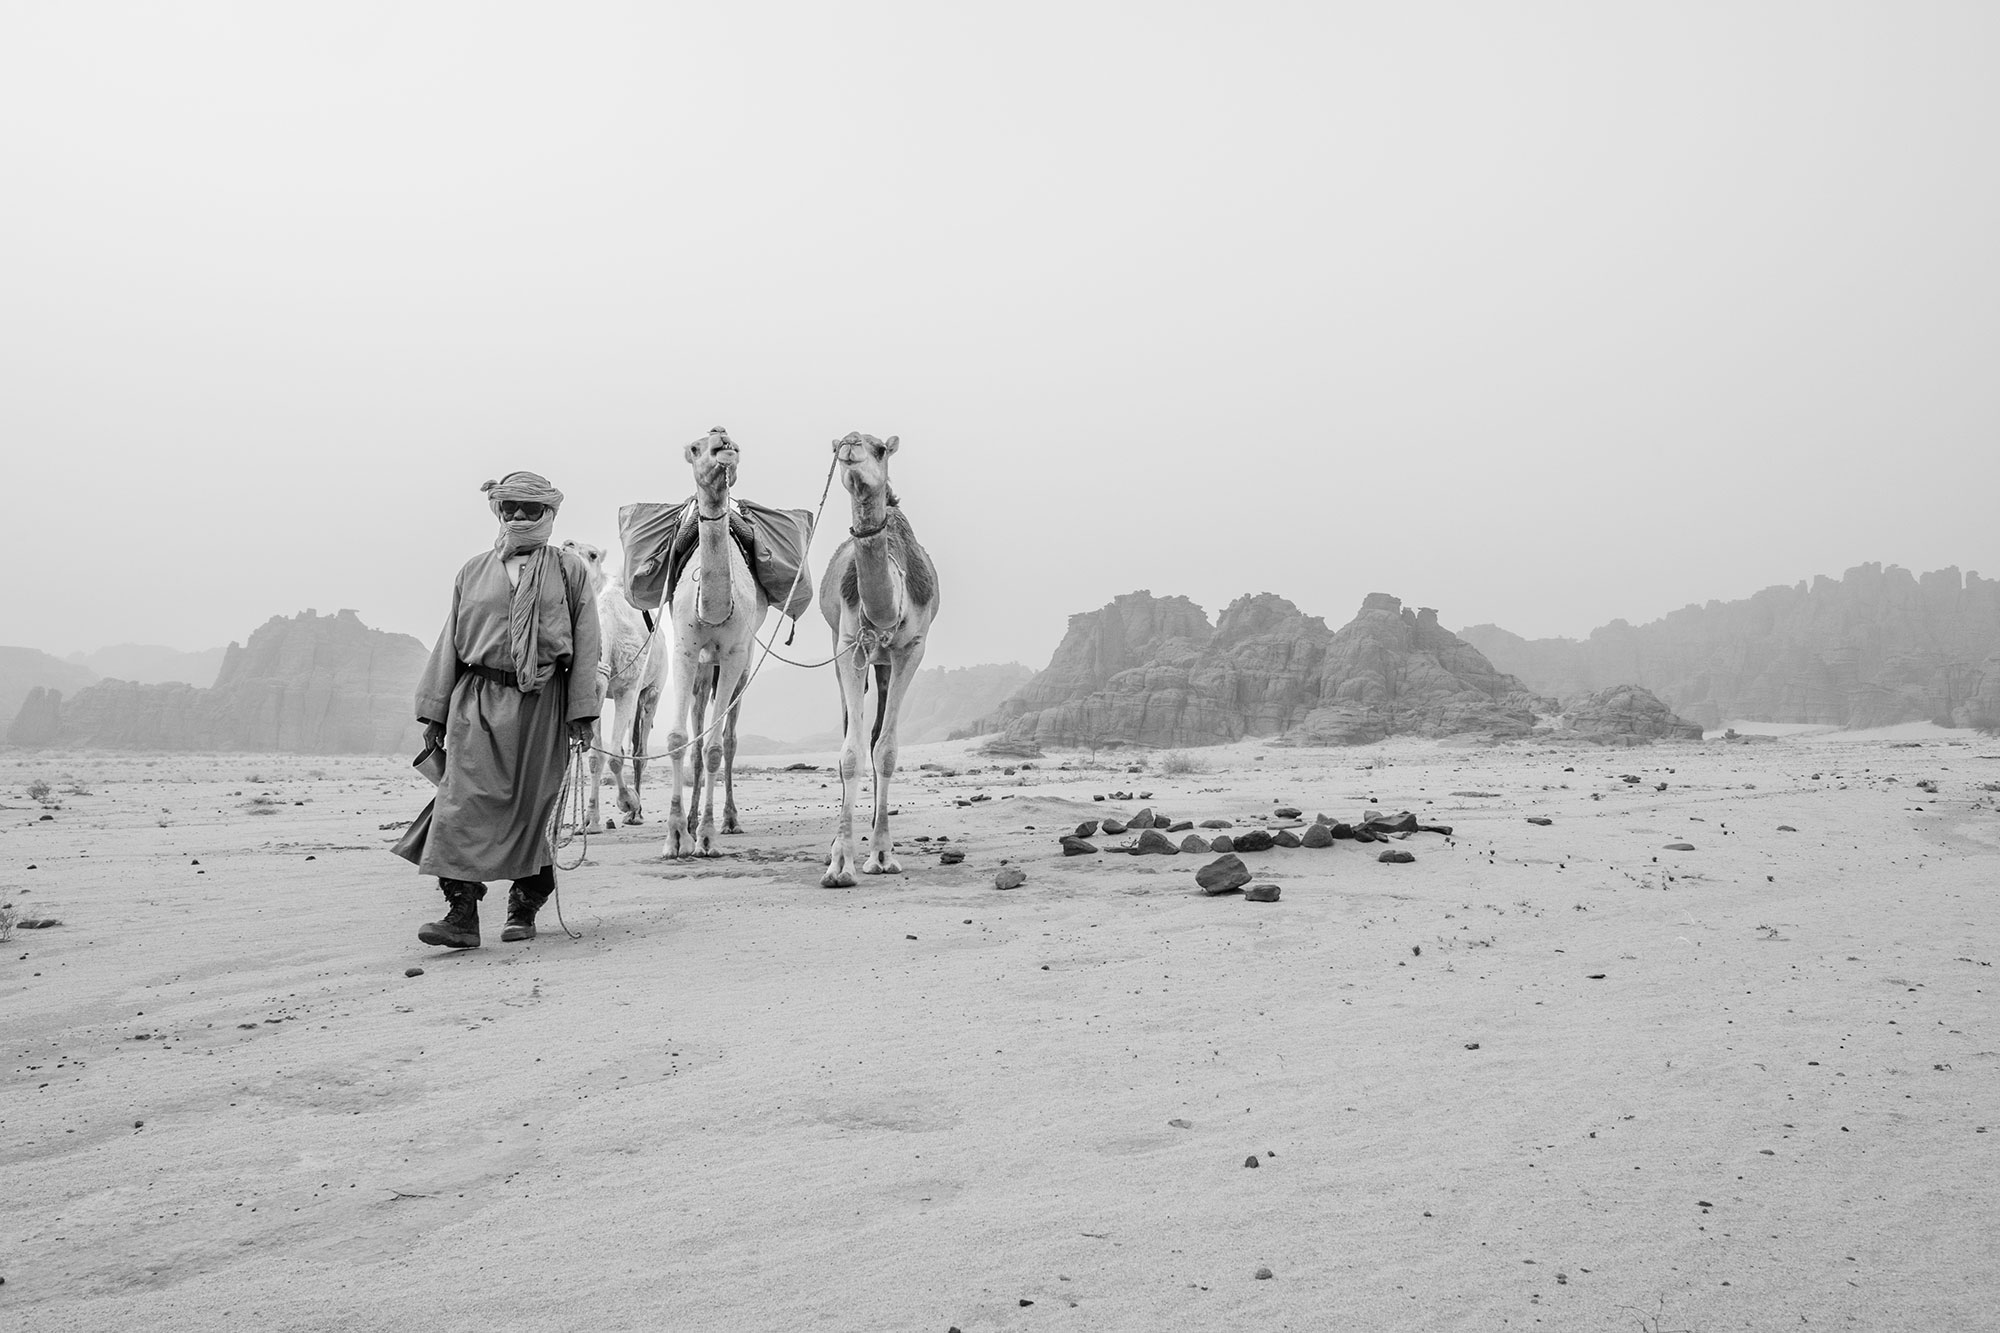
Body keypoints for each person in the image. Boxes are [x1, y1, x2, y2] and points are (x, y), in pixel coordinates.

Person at [406, 470, 602, 947]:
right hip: (477, 701)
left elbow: (586, 641)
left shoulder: (570, 570)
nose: (517, 516)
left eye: (529, 508)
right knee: (461, 804)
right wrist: (434, 714)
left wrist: (582, 713)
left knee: (532, 808)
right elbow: (450, 640)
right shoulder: (472, 571)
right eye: (509, 507)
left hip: (544, 703)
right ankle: (461, 914)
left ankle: (524, 907)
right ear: (498, 510)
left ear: (549, 514)